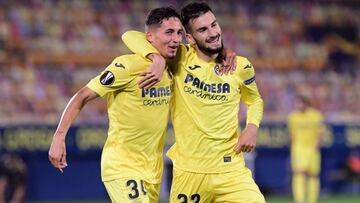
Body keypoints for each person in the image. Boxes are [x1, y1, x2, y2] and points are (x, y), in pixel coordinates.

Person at [122, 2, 266, 202]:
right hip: (190, 173)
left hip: (231, 171)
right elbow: (129, 36)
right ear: (189, 38)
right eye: (203, 29)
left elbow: (255, 100)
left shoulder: (240, 66)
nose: (213, 33)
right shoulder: (179, 58)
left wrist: (252, 127)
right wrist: (156, 58)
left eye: (214, 25)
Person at [48, 7, 184, 203]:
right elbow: (82, 95)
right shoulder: (126, 66)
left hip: (153, 170)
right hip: (122, 165)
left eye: (179, 32)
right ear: (150, 38)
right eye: (169, 32)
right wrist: (59, 136)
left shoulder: (172, 65)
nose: (176, 39)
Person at [287, 95, 325, 203]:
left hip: (313, 149)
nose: (298, 105)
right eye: (296, 103)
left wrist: (318, 144)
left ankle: (312, 200)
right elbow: (292, 134)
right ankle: (299, 200)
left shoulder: (316, 116)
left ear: (306, 103)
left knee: (313, 175)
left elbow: (320, 132)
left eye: (300, 103)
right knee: (299, 173)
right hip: (298, 149)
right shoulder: (293, 117)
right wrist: (292, 148)